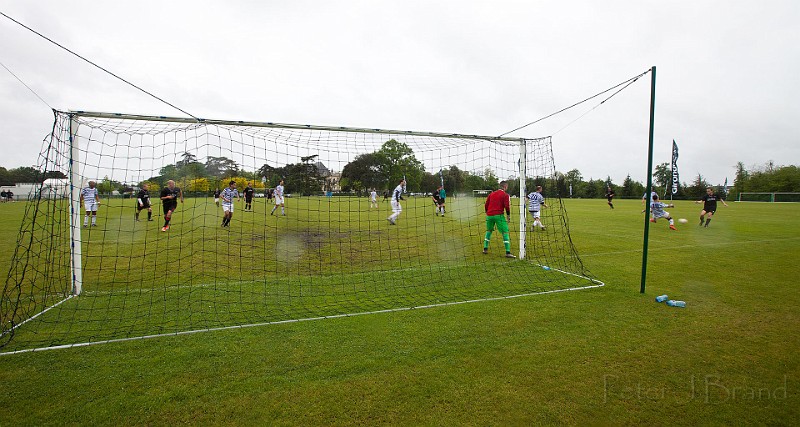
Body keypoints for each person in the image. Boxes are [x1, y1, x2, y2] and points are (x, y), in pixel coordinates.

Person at [483, 181, 515, 258]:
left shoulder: (491, 194)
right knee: (505, 232)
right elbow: (507, 206)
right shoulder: (505, 195)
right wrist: (508, 215)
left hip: (489, 215)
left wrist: (487, 213)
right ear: (505, 187)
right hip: (499, 215)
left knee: (489, 231)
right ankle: (508, 252)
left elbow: (486, 204)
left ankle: (485, 248)